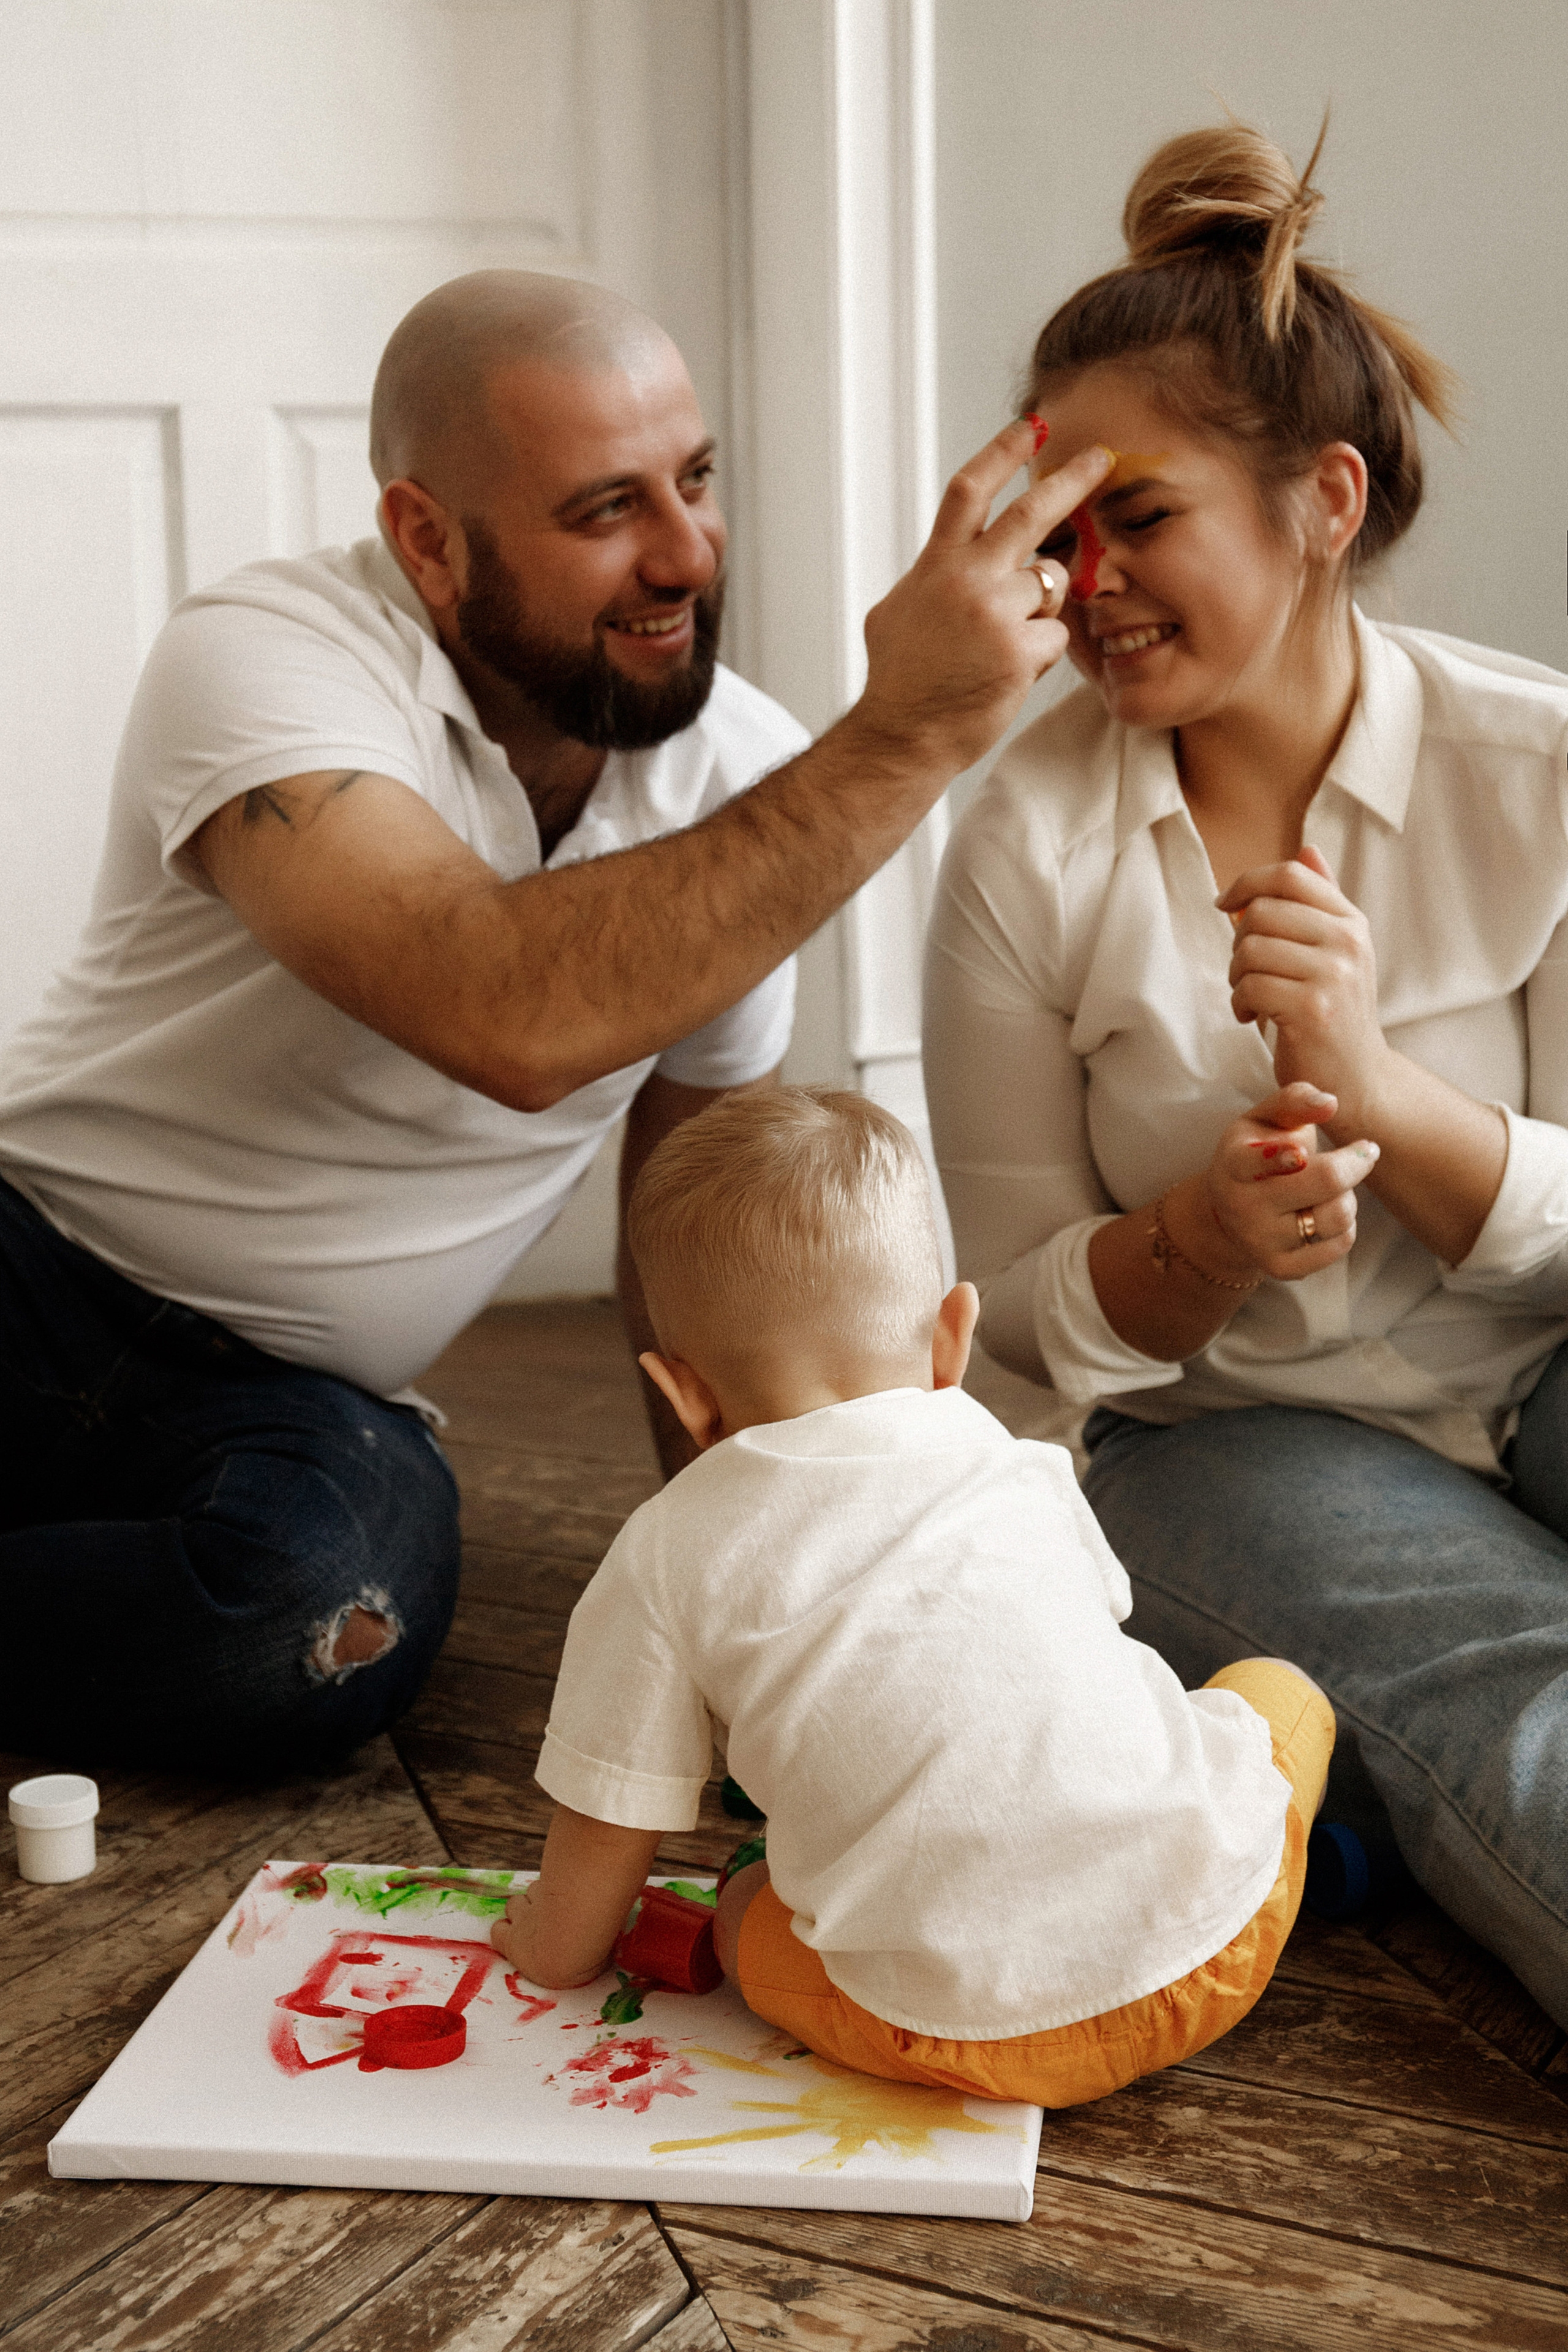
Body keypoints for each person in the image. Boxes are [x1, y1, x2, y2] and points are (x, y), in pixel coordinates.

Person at [0, 270, 1106, 1775]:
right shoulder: (268, 653)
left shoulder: (752, 782)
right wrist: (905, 731)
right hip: (29, 1263)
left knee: (316, 1618)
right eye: (604, 511)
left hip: (297, 1404)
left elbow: (698, 1207)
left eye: (696, 481)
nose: (686, 553)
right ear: (426, 540)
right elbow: (499, 1008)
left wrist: (743, 1600)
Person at [922, 123, 1568, 2028]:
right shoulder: (1020, 844)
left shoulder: (1538, 776)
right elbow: (1029, 1318)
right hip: (1227, 1451)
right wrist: (1196, 1243)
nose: (1087, 581)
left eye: (1141, 516)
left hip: (1534, 1362)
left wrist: (1383, 1087)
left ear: (1325, 500)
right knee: (1516, 1672)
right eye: (1057, 531)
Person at [491, 1086, 1333, 2106]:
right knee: (1279, 1691)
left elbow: (605, 1830)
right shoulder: (1013, 1456)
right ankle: (1296, 1857)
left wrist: (549, 1946)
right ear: (952, 1336)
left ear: (684, 1395)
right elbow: (1081, 1640)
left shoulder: (663, 1551)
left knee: (747, 1909)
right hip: (1218, 1943)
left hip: (966, 2035)